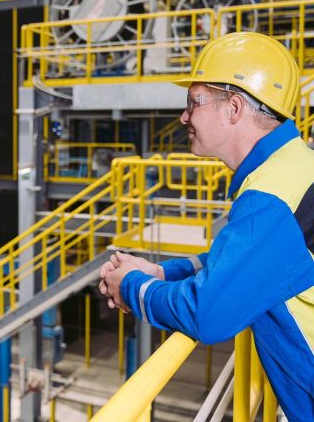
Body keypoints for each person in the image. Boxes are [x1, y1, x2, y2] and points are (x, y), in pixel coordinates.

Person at [99, 32, 314, 422]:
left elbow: (208, 314)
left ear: (233, 108)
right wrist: (162, 271)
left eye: (193, 102)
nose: (184, 117)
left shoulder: (270, 198)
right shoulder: (295, 168)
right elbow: (259, 263)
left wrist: (130, 287)